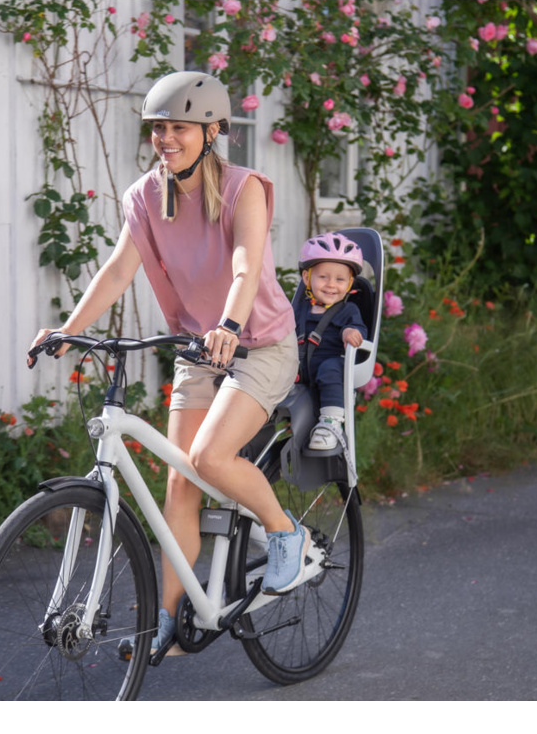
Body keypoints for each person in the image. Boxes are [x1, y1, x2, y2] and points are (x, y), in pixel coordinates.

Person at [28, 71, 307, 654]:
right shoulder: (145, 197)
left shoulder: (244, 189)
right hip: (200, 349)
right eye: (158, 128)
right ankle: (171, 621)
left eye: (179, 127)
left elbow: (245, 265)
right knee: (180, 483)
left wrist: (229, 325)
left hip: (258, 342)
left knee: (210, 457)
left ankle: (285, 533)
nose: (166, 138)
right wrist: (69, 330)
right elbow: (118, 270)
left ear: (211, 132)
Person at [293, 233, 369, 450]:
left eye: (339, 279)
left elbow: (359, 329)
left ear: (350, 283)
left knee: (331, 368)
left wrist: (350, 332)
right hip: (299, 367)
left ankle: (330, 422)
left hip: (330, 364)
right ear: (307, 277)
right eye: (323, 277)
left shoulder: (348, 310)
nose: (331, 285)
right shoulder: (299, 309)